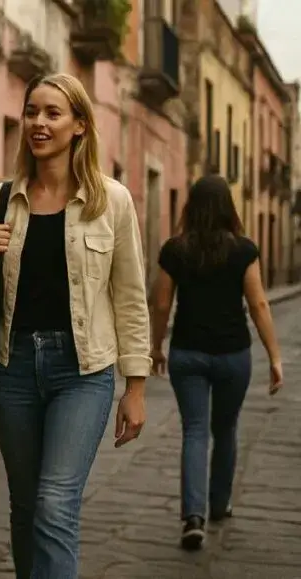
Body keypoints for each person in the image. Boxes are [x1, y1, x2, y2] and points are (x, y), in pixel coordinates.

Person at [0, 73, 150, 578]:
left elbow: (130, 295)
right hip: (12, 368)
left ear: (80, 125)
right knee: (26, 505)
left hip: (83, 371)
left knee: (54, 503)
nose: (38, 123)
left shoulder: (111, 201)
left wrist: (135, 386)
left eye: (52, 113)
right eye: (31, 112)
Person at [149, 174, 284, 551]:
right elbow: (258, 304)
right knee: (225, 429)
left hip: (188, 353)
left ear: (190, 206)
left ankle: (194, 516)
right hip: (233, 355)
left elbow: (161, 303)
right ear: (229, 207)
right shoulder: (244, 250)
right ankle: (220, 503)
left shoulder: (175, 249)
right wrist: (274, 357)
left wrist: (156, 347)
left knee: (194, 430)